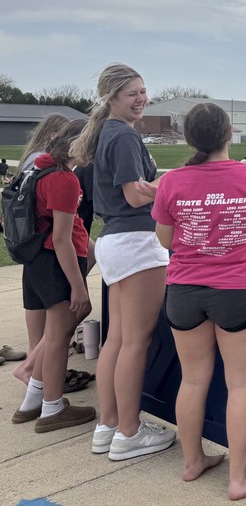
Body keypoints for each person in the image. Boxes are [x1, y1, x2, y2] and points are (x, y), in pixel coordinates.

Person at [152, 103, 246, 500]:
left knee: (192, 380)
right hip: (236, 290)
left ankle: (193, 461)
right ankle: (239, 479)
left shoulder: (172, 181)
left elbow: (165, 240)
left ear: (191, 138)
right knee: (240, 383)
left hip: (184, 290)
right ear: (228, 134)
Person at [71, 63, 176, 460]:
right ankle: (130, 432)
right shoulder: (123, 137)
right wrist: (172, 183)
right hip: (135, 241)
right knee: (134, 341)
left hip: (115, 242)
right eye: (133, 92)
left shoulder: (106, 134)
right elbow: (135, 195)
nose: (141, 99)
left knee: (117, 339)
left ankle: (109, 425)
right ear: (112, 97)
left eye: (143, 91)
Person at [12, 119, 96, 432]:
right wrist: (77, 285)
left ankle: (32, 401)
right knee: (60, 336)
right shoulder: (64, 180)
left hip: (35, 260)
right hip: (54, 260)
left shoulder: (39, 168)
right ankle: (52, 408)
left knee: (58, 330)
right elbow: (61, 238)